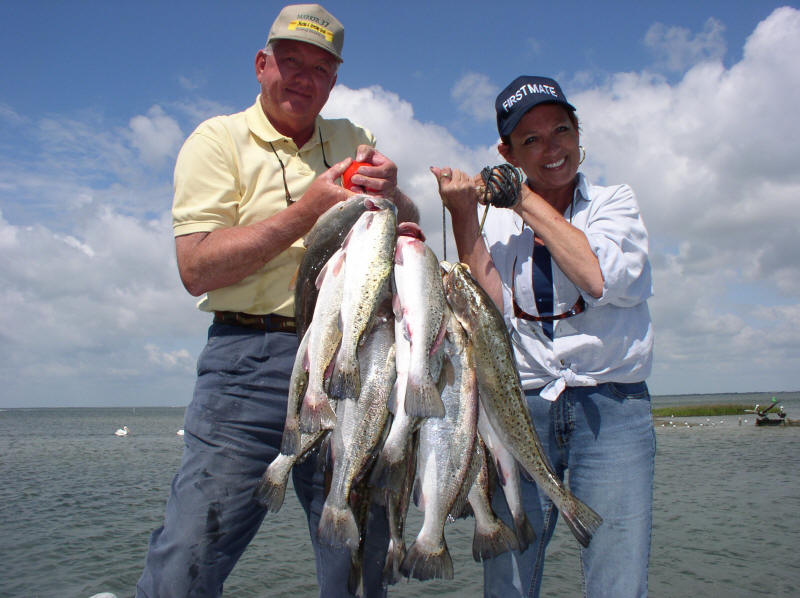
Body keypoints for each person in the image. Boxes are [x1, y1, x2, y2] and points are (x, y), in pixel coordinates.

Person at [135, 4, 418, 598]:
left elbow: (400, 228)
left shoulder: (355, 140)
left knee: (358, 560)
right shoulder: (217, 141)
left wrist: (397, 195)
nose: (304, 78)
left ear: (334, 81)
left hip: (350, 359)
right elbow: (195, 268)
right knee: (187, 558)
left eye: (320, 69)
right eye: (290, 62)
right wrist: (305, 213)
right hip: (247, 363)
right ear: (262, 64)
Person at [431, 75, 655, 597]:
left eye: (561, 131)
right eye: (531, 140)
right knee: (508, 581)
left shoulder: (614, 203)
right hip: (520, 406)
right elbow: (489, 312)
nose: (552, 149)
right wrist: (464, 213)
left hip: (612, 408)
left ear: (578, 133)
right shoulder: (496, 221)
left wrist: (522, 198)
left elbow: (596, 277)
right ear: (507, 152)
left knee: (618, 580)